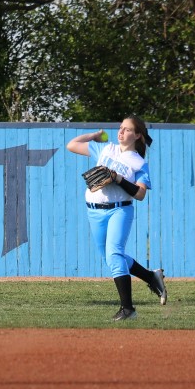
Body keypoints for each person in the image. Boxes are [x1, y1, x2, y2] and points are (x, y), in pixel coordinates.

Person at [67, 117, 168, 321]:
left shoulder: (139, 163)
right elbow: (72, 145)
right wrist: (95, 135)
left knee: (114, 254)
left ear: (137, 135)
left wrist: (118, 179)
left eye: (127, 129)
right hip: (94, 211)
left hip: (119, 211)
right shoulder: (106, 149)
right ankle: (151, 277)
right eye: (120, 128)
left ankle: (128, 309)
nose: (121, 132)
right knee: (111, 257)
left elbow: (140, 194)